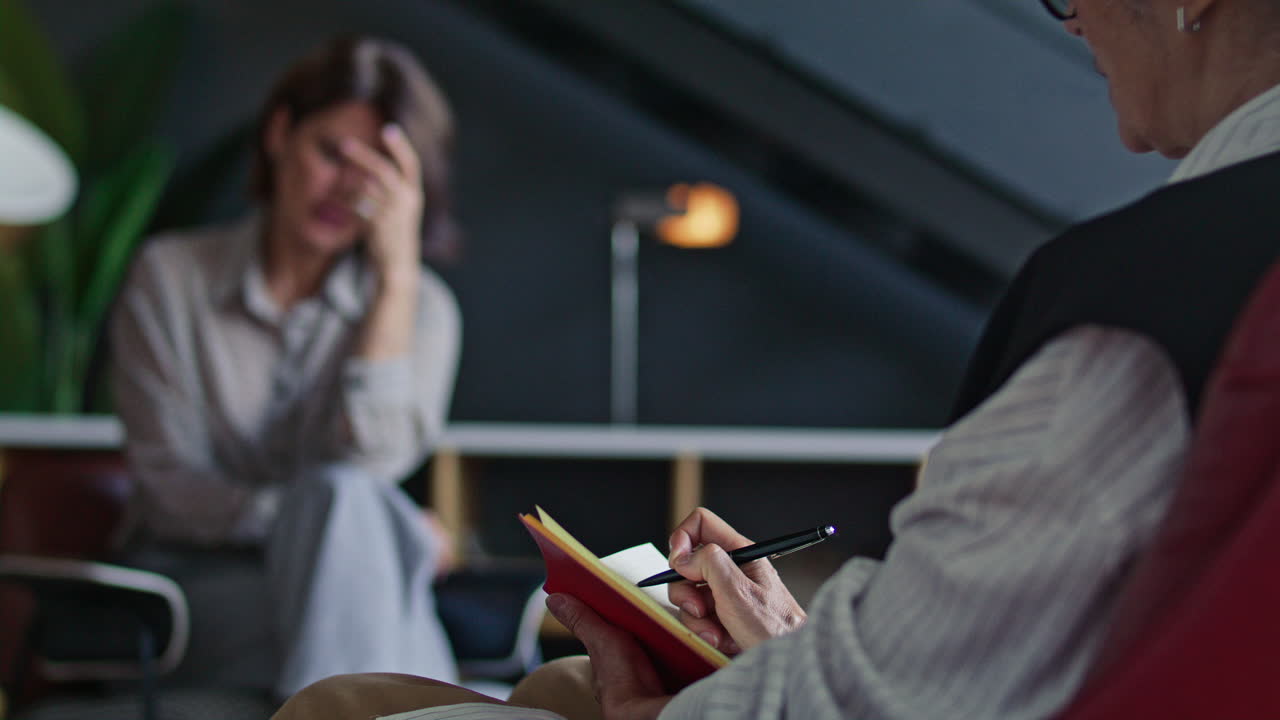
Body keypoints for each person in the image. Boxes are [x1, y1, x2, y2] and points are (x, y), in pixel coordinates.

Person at [272, 0, 1280, 718]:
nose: (1068, 24)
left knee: (348, 705)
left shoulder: (1143, 301)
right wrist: (792, 642)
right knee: (542, 685)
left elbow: (886, 696)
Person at [110, 34, 463, 701]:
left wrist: (393, 283)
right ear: (280, 134)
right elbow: (169, 490)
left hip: (342, 590)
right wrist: (332, 521)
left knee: (349, 511)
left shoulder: (422, 311)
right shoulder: (172, 279)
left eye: (378, 174)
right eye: (332, 154)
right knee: (355, 536)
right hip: (197, 586)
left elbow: (375, 459)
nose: (348, 190)